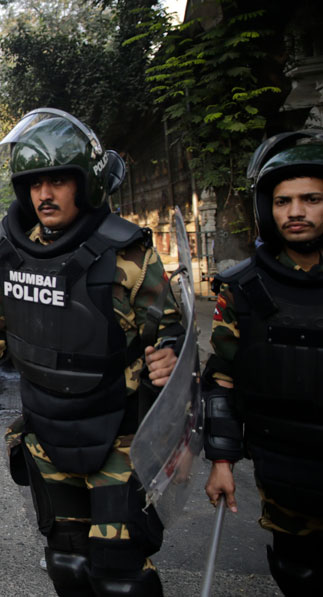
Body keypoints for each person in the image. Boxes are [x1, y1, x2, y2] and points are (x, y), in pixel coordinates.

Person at [0, 108, 182, 596]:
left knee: (120, 572)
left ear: (85, 184)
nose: (44, 194)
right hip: (45, 428)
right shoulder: (9, 255)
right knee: (67, 562)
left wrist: (171, 354)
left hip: (117, 429)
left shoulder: (128, 253)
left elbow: (171, 330)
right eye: (35, 183)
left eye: (58, 180)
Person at [202, 130, 323, 595]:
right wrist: (222, 460)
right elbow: (221, 380)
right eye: (282, 201)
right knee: (298, 574)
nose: (294, 212)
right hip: (283, 468)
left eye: (311, 198)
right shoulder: (242, 289)